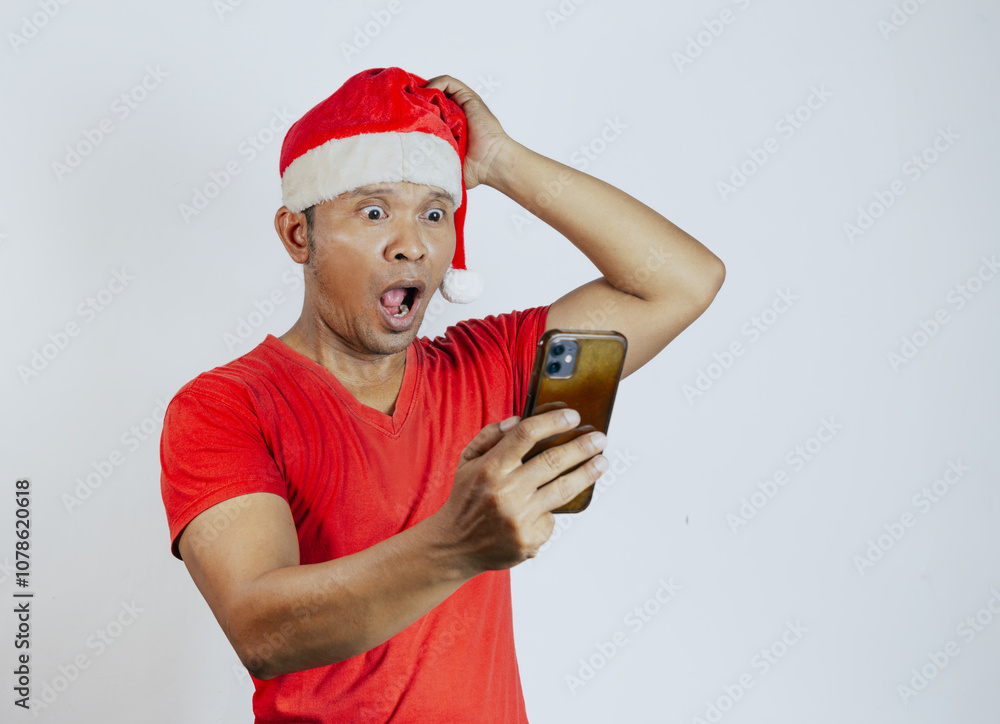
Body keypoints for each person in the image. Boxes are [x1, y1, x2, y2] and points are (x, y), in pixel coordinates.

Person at [160, 67, 725, 722]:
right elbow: (262, 629)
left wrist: (502, 162)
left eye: (435, 213)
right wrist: (457, 546)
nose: (413, 244)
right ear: (297, 235)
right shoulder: (224, 405)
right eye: (374, 212)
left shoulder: (490, 365)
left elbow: (682, 280)